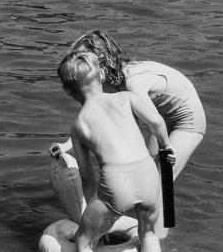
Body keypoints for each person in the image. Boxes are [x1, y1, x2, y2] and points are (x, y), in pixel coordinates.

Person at [57, 50, 175, 252]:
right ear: (101, 75)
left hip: (116, 183)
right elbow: (157, 122)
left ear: (67, 91)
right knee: (148, 233)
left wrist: (90, 214)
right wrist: (166, 147)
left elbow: (88, 178)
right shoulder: (125, 98)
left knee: (83, 242)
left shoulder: (79, 125)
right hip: (148, 175)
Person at [64, 30, 205, 180]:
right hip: (160, 117)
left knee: (158, 181)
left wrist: (167, 147)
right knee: (144, 176)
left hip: (186, 119)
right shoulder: (104, 83)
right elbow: (91, 118)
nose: (76, 67)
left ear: (102, 66)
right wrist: (67, 145)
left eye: (82, 61)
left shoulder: (133, 82)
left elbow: (150, 124)